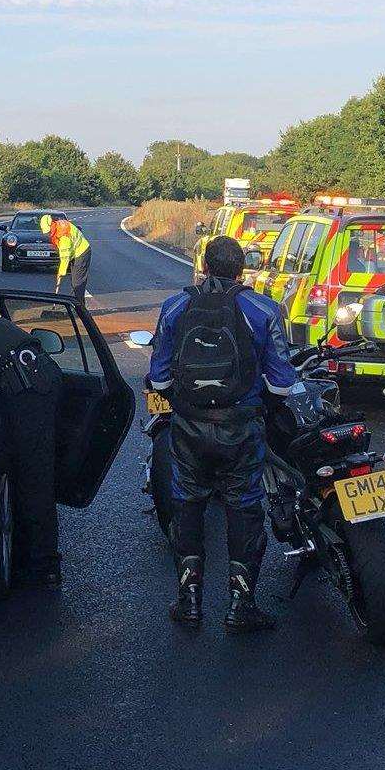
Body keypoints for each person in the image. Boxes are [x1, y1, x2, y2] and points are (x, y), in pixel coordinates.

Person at [147, 235, 307, 633]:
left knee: (188, 504)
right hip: (242, 429)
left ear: (203, 266)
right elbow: (283, 382)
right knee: (245, 508)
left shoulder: (175, 307)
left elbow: (159, 377)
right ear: (241, 270)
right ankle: (240, 606)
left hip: (188, 428)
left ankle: (189, 601)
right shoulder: (264, 310)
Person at [0, 307, 64, 587]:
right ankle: (36, 557)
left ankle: (44, 565)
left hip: (30, 387)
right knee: (31, 473)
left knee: (34, 476)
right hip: (30, 377)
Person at [42, 214, 90, 305]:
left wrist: (61, 271)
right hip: (75, 252)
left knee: (78, 282)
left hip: (82, 252)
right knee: (74, 280)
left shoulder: (62, 233)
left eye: (48, 231)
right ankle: (76, 303)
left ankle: (80, 307)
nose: (48, 233)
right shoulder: (57, 226)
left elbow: (65, 255)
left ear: (51, 224)